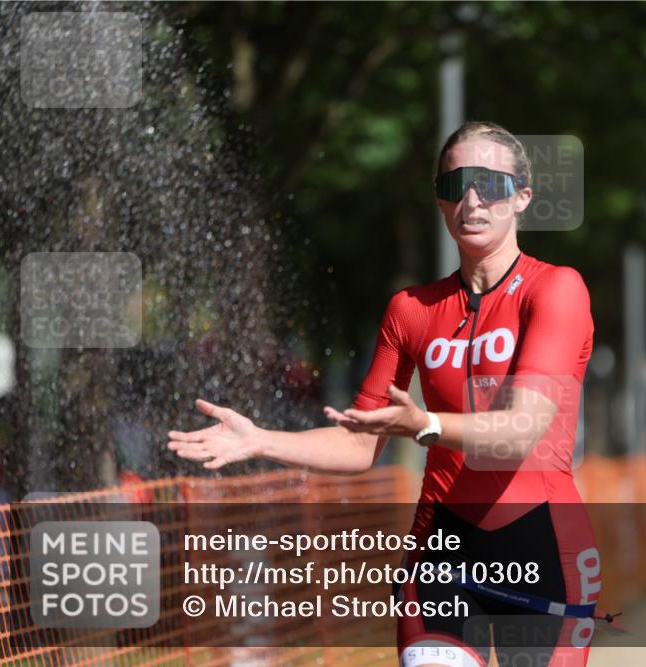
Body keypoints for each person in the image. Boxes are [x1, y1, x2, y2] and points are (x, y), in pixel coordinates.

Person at [168, 121, 604, 667]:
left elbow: (523, 429)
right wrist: (260, 440)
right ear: (440, 203)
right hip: (443, 549)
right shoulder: (411, 310)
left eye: (490, 184)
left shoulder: (556, 288)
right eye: (455, 186)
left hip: (542, 544)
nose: (472, 200)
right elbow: (360, 444)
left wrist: (425, 425)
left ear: (522, 197)